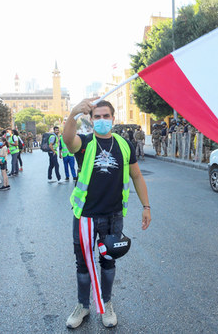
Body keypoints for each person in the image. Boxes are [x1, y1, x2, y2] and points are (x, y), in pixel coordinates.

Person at [63, 99, 151, 329]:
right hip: (86, 216)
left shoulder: (124, 145)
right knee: (82, 264)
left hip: (113, 217)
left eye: (106, 116)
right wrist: (73, 113)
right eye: (97, 117)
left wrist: (146, 207)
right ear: (91, 120)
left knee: (109, 261)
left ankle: (106, 302)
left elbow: (137, 176)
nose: (102, 120)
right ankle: (83, 305)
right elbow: (67, 139)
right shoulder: (84, 143)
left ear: (113, 118)